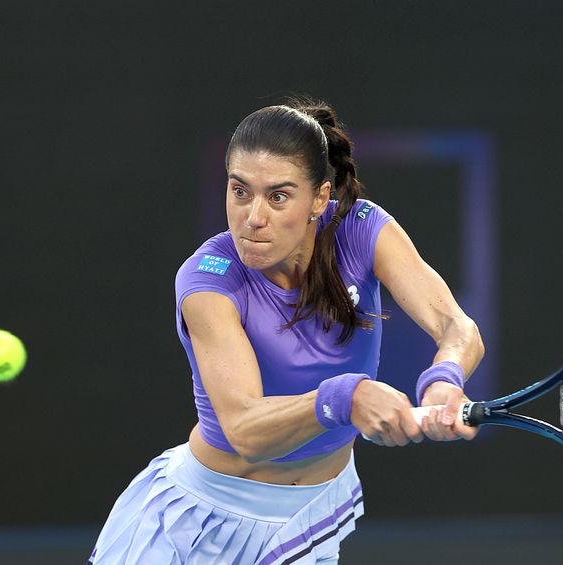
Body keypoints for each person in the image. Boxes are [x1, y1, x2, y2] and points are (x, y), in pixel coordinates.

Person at [89, 99, 485, 564]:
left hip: (308, 523)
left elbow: (457, 327)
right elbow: (244, 429)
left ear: (319, 198)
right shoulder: (207, 279)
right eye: (240, 191)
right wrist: (346, 397)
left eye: (278, 196)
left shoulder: (363, 231)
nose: (253, 217)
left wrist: (445, 379)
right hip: (197, 527)